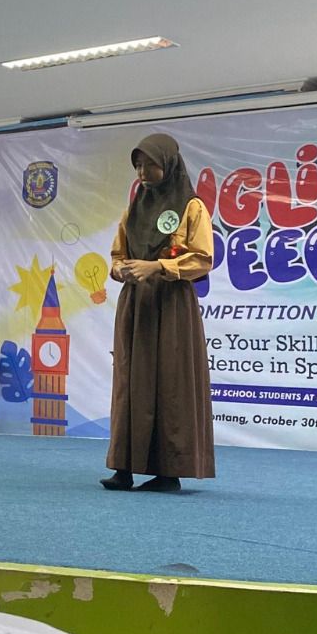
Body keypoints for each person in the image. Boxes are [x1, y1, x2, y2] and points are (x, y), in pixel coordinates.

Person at [102, 133, 216, 493]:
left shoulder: (191, 207)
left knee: (171, 382)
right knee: (129, 381)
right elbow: (117, 255)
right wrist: (120, 270)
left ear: (168, 163)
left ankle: (169, 473)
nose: (142, 172)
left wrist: (158, 267)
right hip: (136, 305)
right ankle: (123, 467)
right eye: (138, 165)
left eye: (149, 164)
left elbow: (203, 258)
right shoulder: (134, 209)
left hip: (172, 305)